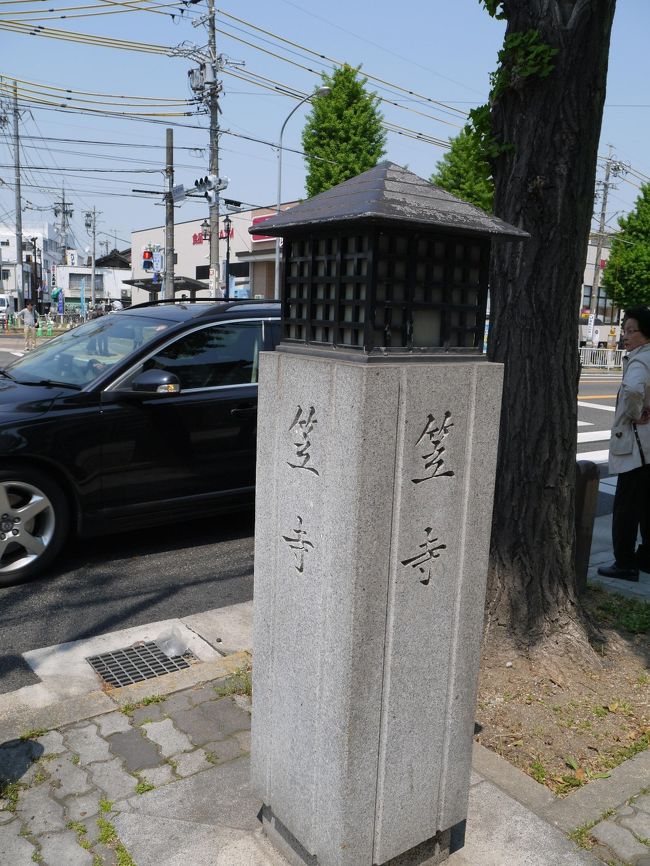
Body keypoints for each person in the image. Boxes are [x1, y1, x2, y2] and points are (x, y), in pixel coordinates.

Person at [597, 306, 650, 582]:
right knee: (646, 506)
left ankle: (625, 563)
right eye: (625, 330)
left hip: (635, 447)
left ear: (646, 334)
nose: (626, 336)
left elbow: (631, 390)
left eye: (632, 331)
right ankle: (647, 556)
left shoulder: (640, 361)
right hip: (649, 448)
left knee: (626, 507)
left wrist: (633, 412)